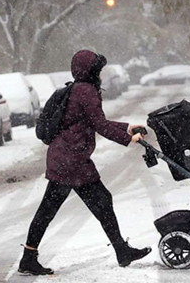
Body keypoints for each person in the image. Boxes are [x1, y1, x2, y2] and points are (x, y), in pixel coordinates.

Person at [18, 49, 151, 276]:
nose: (100, 74)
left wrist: (127, 127)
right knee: (52, 209)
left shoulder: (79, 89)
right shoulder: (86, 91)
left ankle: (121, 250)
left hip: (69, 158)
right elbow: (100, 125)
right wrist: (129, 139)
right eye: (98, 70)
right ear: (90, 71)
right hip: (70, 160)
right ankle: (28, 258)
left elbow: (96, 121)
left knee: (95, 201)